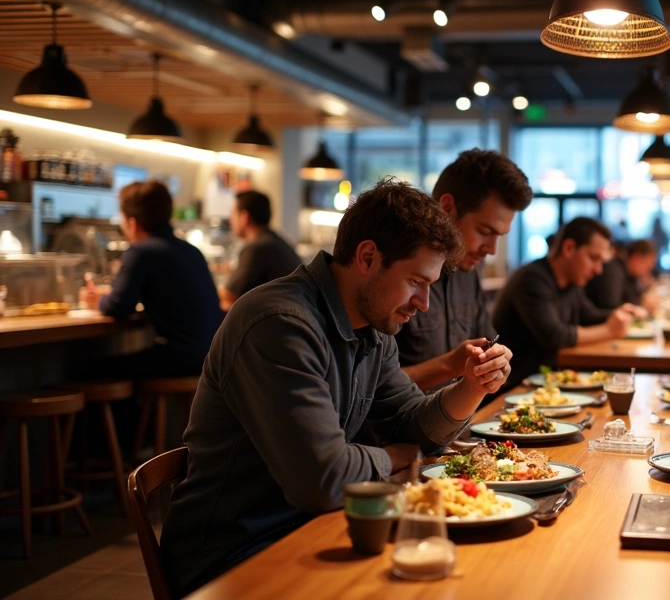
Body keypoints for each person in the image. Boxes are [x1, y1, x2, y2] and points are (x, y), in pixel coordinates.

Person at [160, 181, 513, 596]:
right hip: (235, 555)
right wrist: (395, 457)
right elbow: (323, 479)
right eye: (417, 281)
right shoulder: (279, 324)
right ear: (368, 257)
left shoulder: (373, 327)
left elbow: (414, 427)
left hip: (316, 528)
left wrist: (473, 387)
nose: (424, 303)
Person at [395, 149, 533, 391]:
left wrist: (497, 365)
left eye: (499, 236)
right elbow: (369, 388)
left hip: (460, 422)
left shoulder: (468, 271)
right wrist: (449, 365)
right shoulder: (396, 270)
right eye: (485, 231)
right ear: (447, 207)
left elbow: (487, 347)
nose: (491, 249)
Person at [80, 180, 222, 379]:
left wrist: (98, 300)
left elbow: (118, 307)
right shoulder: (191, 251)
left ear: (132, 223)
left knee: (85, 371)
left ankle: (130, 412)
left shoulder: (140, 251)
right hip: (212, 356)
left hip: (182, 358)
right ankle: (138, 411)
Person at [493, 217, 640, 388]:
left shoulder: (571, 283)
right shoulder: (532, 279)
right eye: (594, 258)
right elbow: (555, 336)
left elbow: (590, 317)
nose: (599, 270)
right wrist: (609, 330)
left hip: (548, 382)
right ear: (569, 248)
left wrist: (621, 313)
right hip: (515, 388)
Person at [219, 190, 300, 311]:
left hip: (277, 321)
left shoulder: (257, 248)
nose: (230, 220)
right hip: (291, 316)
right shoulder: (273, 240)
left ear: (244, 217)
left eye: (233, 214)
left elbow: (231, 295)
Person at [584, 239, 657, 310]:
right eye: (648, 265)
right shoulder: (614, 271)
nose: (649, 270)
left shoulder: (631, 275)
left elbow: (634, 297)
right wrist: (639, 306)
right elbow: (612, 308)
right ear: (636, 258)